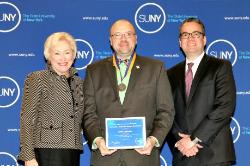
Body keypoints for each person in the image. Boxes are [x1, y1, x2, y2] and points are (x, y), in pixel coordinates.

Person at [83, 19, 175, 166]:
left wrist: (152, 140)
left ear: (136, 38)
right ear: (110, 40)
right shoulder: (94, 71)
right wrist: (98, 140)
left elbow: (166, 111)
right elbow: (88, 112)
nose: (123, 39)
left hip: (143, 157)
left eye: (128, 34)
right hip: (105, 157)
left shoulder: (156, 68)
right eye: (118, 35)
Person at [166, 17, 236, 166]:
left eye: (196, 34)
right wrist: (180, 143)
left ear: (204, 40)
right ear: (180, 42)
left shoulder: (220, 66)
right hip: (183, 156)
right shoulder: (169, 74)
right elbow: (167, 111)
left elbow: (225, 107)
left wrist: (194, 139)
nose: (190, 38)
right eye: (185, 34)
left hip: (214, 156)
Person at [18, 32, 84, 166]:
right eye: (57, 53)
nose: (63, 58)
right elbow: (27, 118)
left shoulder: (79, 82)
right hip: (47, 152)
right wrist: (28, 157)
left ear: (73, 54)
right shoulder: (38, 78)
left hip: (73, 152)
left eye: (67, 52)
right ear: (48, 55)